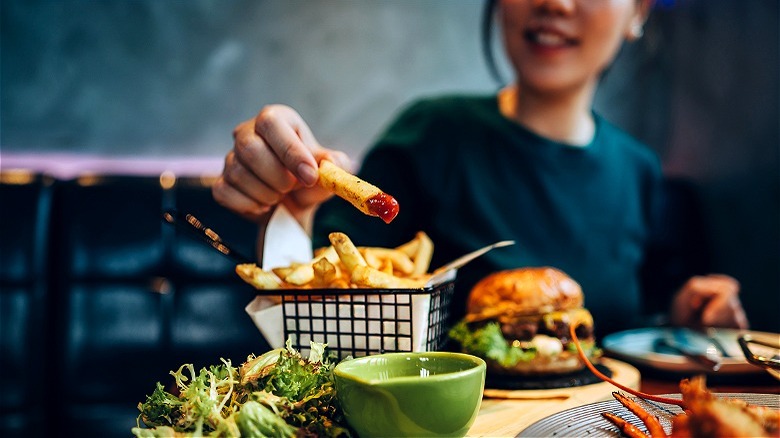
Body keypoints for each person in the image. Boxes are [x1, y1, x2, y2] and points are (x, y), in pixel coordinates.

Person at [213, 0, 748, 337]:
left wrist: (690, 312)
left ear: (639, 11)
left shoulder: (639, 169)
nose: (554, 4)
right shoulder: (431, 134)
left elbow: (646, 316)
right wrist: (293, 207)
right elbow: (328, 301)